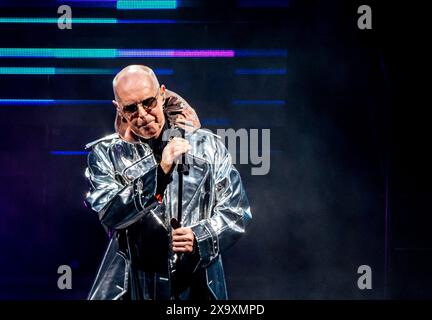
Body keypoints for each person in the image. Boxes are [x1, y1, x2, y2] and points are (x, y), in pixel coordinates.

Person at [84, 65, 252, 300]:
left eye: (148, 102)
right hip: (133, 287)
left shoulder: (208, 147)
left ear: (162, 94)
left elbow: (237, 212)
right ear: (118, 109)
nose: (142, 115)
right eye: (131, 108)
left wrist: (200, 236)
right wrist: (160, 173)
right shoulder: (105, 154)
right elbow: (109, 212)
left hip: (198, 287)